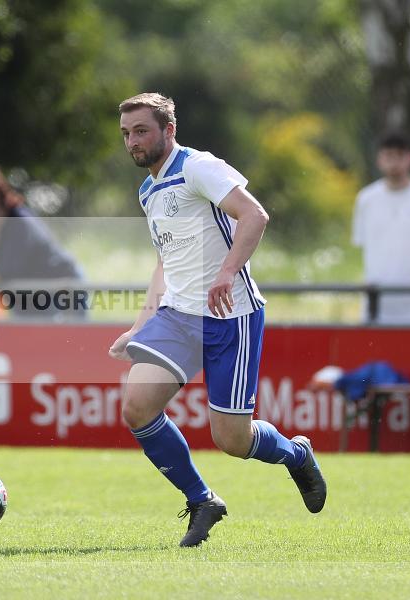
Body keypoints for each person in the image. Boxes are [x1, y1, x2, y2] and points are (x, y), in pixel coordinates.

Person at [109, 93, 326, 548]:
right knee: (136, 408)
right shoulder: (148, 190)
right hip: (178, 317)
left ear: (169, 131)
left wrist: (227, 272)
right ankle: (202, 499)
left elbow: (254, 215)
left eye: (142, 130)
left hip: (231, 315)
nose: (133, 141)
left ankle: (296, 454)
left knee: (232, 438)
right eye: (127, 133)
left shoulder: (197, 166)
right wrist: (139, 324)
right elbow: (165, 262)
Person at [0, 162, 84, 319]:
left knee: (68, 340)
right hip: (24, 298)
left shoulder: (20, 221)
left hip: (61, 289)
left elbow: (2, 272)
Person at [352, 131, 410, 324]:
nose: (394, 162)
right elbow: (363, 246)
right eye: (388, 156)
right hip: (378, 304)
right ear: (379, 160)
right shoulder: (366, 199)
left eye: (399, 156)